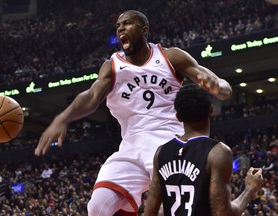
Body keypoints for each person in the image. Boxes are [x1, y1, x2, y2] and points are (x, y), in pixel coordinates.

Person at [34, 10, 232, 215]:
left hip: (169, 141)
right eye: (118, 26)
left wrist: (217, 87)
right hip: (131, 145)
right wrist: (63, 117)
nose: (120, 28)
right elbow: (92, 96)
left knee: (170, 209)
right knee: (97, 207)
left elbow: (223, 86)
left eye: (127, 23)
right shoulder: (112, 66)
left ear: (144, 29)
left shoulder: (170, 56)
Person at [143, 83, 263, 216]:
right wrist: (250, 190)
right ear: (211, 110)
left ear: (178, 117)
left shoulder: (161, 153)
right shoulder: (218, 152)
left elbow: (149, 213)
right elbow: (222, 213)